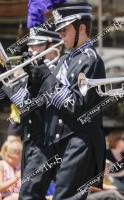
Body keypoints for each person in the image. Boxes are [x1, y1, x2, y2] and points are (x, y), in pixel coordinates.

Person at [17, 1, 107, 199]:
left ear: (81, 28)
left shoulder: (91, 60)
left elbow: (75, 105)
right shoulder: (67, 60)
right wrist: (33, 78)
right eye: (60, 31)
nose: (60, 35)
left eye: (65, 30)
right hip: (60, 140)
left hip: (80, 140)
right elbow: (46, 99)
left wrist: (46, 78)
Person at [1, 25, 62, 200]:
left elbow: (34, 105)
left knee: (29, 194)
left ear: (53, 47)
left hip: (49, 144)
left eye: (37, 45)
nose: (31, 50)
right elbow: (4, 98)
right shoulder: (32, 71)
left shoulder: (58, 72)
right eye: (29, 46)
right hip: (30, 142)